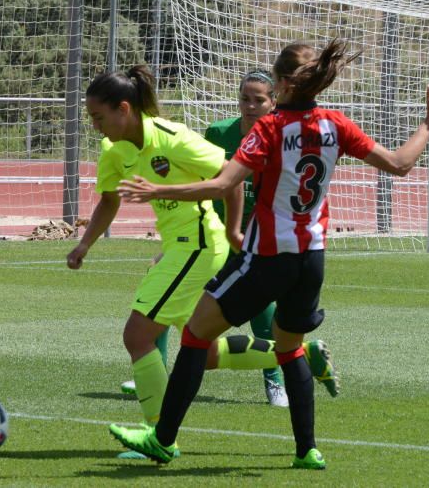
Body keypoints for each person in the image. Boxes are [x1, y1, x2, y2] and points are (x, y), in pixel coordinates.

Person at [109, 40, 429, 470]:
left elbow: (222, 184)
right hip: (312, 259)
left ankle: (162, 440)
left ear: (281, 84)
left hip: (268, 257)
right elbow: (401, 163)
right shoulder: (335, 124)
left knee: (196, 333)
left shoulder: (270, 129)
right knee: (290, 346)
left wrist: (158, 190)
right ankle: (307, 450)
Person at [66, 65, 333, 459]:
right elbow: (109, 200)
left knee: (137, 336)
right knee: (203, 352)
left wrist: (232, 231)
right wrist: (85, 244)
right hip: (180, 246)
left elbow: (229, 177)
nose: (94, 126)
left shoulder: (173, 140)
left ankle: (158, 436)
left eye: (98, 117)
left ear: (124, 109)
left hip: (199, 246)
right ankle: (295, 353)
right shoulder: (113, 149)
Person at [118, 70, 340, 408]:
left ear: (273, 101)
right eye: (245, 99)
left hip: (260, 243)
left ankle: (275, 381)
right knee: (162, 300)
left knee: (262, 315)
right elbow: (206, 182)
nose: (250, 106)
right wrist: (183, 243)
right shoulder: (220, 133)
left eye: (259, 100)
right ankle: (154, 370)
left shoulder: (285, 135)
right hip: (214, 240)